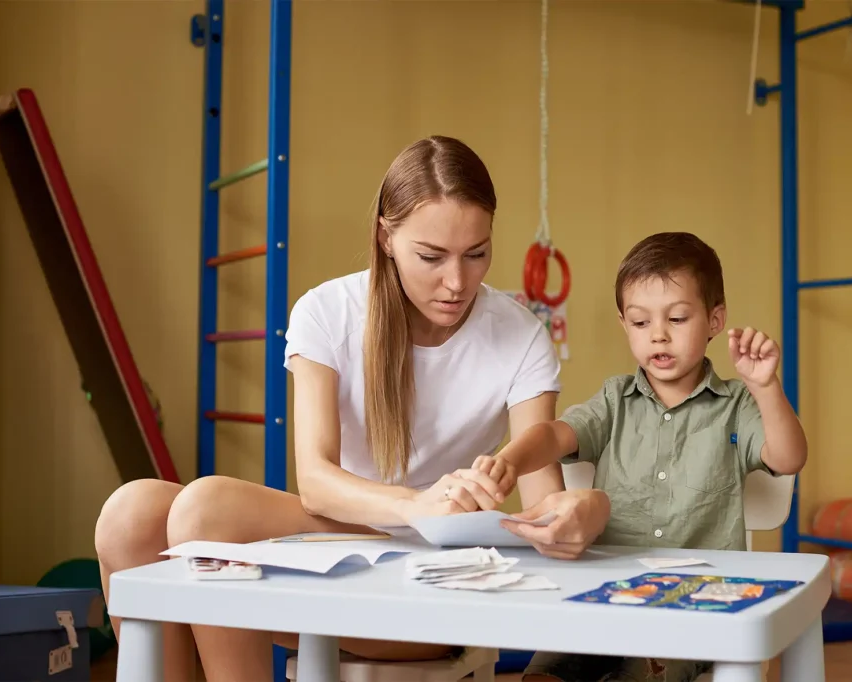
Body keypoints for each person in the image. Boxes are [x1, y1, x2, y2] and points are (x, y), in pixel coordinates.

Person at [93, 135, 612, 682]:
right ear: (387, 238)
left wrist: (581, 512)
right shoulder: (327, 311)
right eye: (431, 257)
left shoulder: (520, 335)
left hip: (439, 576)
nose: (457, 282)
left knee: (205, 510)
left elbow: (540, 503)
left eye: (476, 253)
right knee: (131, 515)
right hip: (338, 548)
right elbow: (316, 483)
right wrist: (416, 504)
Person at [473, 231, 809, 682]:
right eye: (640, 322)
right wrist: (511, 460)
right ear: (624, 324)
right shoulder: (614, 400)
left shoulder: (737, 405)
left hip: (697, 607)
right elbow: (554, 434)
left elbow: (788, 459)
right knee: (543, 675)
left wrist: (765, 387)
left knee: (641, 671)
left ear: (715, 319)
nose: (659, 334)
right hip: (604, 598)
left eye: (677, 318)